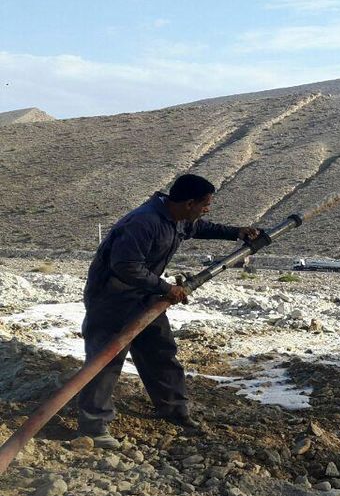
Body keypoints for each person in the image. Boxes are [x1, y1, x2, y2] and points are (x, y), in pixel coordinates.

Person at [76, 174, 261, 448]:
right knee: (106, 360)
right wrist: (165, 288)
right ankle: (93, 425)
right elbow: (125, 265)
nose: (207, 209)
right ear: (189, 203)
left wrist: (236, 232)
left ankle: (173, 410)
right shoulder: (145, 222)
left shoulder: (176, 218)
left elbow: (200, 227)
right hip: (111, 300)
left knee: (160, 352)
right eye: (205, 204)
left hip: (144, 296)